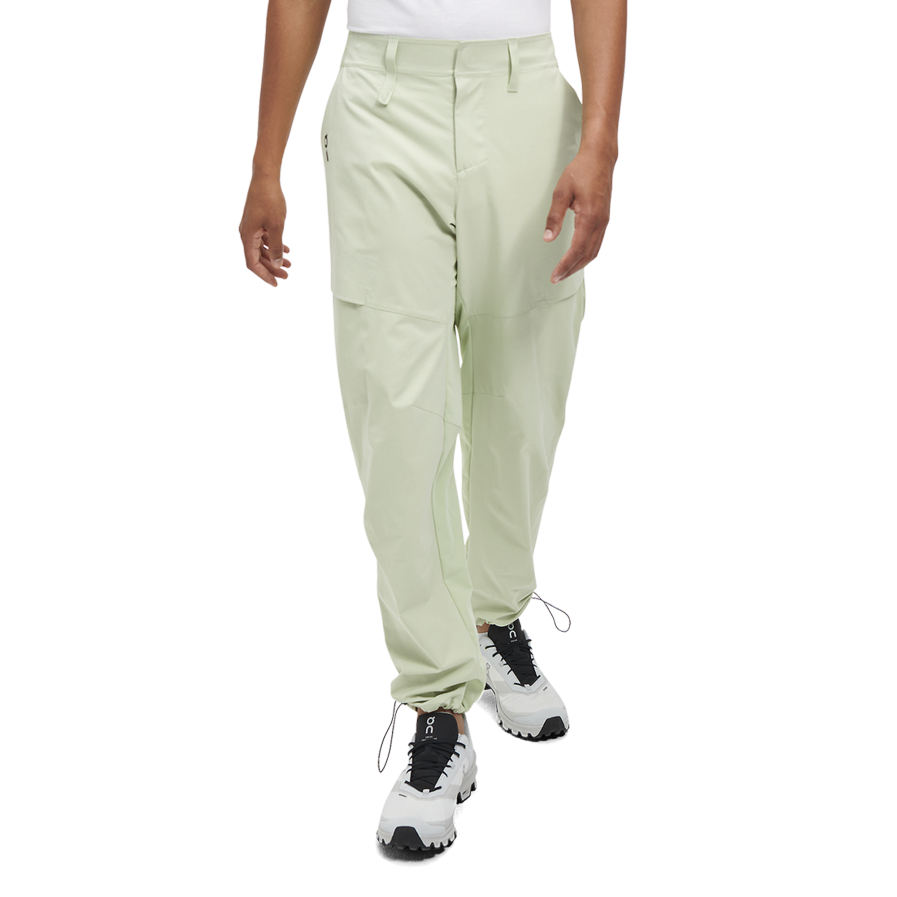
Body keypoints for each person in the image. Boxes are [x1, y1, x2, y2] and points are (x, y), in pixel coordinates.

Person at [239, 0, 627, 850]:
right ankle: (435, 702)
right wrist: (266, 163)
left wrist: (599, 141)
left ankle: (496, 612)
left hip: (526, 98)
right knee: (394, 411)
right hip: (380, 99)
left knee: (521, 393)